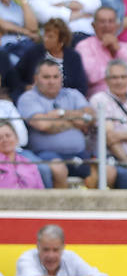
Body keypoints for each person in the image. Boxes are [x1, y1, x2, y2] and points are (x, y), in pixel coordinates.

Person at [18, 58, 95, 188]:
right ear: (36, 78)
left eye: (55, 77)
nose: (51, 81)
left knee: (103, 172)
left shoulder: (73, 94)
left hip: (79, 153)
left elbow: (89, 118)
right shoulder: (28, 98)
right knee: (58, 169)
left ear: (61, 78)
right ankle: (61, 208)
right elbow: (43, 125)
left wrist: (61, 114)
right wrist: (74, 121)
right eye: (46, 77)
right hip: (45, 154)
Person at [76, 5, 127, 96]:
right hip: (101, 100)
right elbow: (91, 77)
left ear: (117, 26)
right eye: (102, 21)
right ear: (93, 25)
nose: (107, 25)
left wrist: (118, 50)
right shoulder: (84, 46)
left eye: (111, 21)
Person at [14, 224, 108, 276]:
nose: (51, 256)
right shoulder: (26, 258)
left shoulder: (70, 257)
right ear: (37, 247)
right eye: (46, 250)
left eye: (55, 250)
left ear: (63, 248)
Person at [16, 17, 88, 94]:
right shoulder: (34, 52)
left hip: (65, 99)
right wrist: (25, 87)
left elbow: (81, 86)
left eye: (50, 37)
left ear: (62, 40)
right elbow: (15, 75)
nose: (45, 39)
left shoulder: (73, 57)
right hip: (37, 96)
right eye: (45, 36)